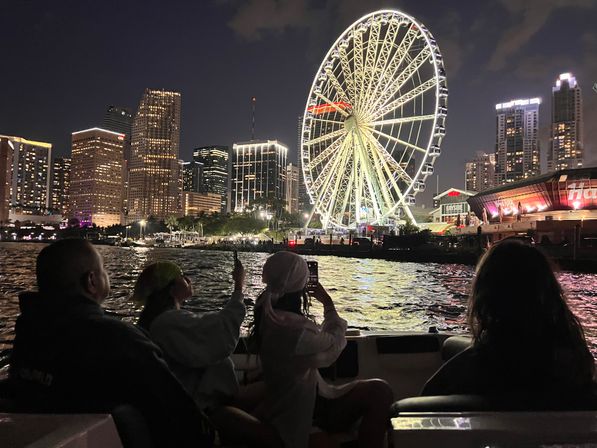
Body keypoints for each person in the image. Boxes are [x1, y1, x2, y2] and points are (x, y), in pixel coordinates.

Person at [8, 238, 212, 447]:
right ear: (92, 281)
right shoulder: (121, 340)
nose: (108, 274)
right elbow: (180, 412)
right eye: (104, 269)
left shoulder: (29, 330)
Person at [422, 240, 595, 404]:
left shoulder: (465, 370)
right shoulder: (578, 368)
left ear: (486, 298)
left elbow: (424, 402)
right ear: (551, 293)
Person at [251, 251, 393, 448]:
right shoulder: (295, 329)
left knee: (378, 390)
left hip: (304, 398)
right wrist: (327, 303)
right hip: (301, 413)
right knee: (381, 392)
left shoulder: (268, 313)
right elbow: (333, 346)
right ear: (300, 283)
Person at [135, 259, 281, 447]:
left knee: (277, 389)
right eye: (180, 276)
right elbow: (221, 330)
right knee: (274, 433)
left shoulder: (167, 321)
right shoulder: (168, 323)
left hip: (213, 399)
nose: (187, 278)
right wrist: (238, 286)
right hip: (203, 412)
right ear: (169, 288)